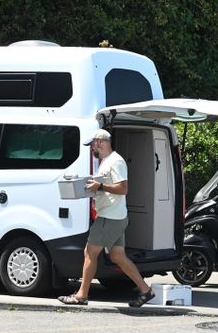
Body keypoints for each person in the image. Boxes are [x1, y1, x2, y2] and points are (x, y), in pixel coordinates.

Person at [58, 129, 155, 307]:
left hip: (109, 217)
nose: (91, 149)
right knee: (118, 256)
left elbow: (123, 188)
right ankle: (145, 290)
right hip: (115, 216)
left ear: (101, 142)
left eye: (92, 145)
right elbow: (109, 187)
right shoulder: (106, 162)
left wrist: (100, 186)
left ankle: (81, 295)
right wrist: (92, 189)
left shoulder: (116, 162)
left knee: (89, 253)